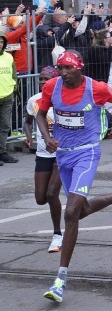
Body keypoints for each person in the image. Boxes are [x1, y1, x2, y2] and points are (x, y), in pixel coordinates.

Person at [36, 51, 112, 303]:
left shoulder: (95, 88)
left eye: (68, 68)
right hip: (63, 155)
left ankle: (60, 279)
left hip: (86, 153)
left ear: (80, 68)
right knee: (81, 210)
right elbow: (40, 114)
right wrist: (47, 137)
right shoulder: (51, 86)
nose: (63, 73)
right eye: (60, 68)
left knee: (71, 212)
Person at [23, 66, 62, 252]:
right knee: (40, 198)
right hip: (43, 153)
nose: (42, 82)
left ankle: (57, 234)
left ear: (55, 80)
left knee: (52, 194)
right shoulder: (34, 100)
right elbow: (27, 122)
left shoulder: (63, 99)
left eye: (46, 79)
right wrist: (28, 136)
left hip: (62, 154)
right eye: (40, 79)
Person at [0, 34, 17, 165]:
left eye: (1, 42)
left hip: (7, 96)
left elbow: (13, 75)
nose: (0, 44)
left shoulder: (9, 57)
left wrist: (13, 87)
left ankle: (2, 152)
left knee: (5, 126)